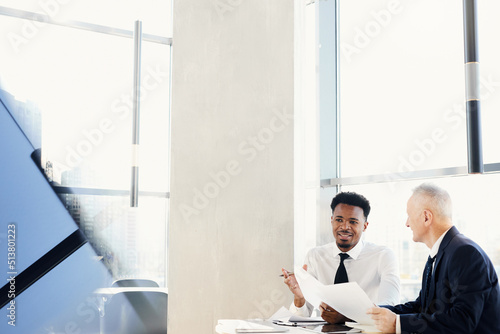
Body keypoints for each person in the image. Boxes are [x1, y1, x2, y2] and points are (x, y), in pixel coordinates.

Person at [368, 183, 500, 333]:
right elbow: (422, 306)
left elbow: (462, 321)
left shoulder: (465, 253)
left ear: (426, 217)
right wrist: (373, 313)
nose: (407, 223)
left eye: (409, 216)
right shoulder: (441, 253)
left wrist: (398, 324)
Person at [282, 191, 400, 324]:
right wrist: (299, 297)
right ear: (331, 221)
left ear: (365, 226)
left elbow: (390, 308)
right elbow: (300, 319)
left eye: (353, 222)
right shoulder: (315, 256)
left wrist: (347, 318)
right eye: (339, 220)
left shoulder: (383, 256)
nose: (344, 227)